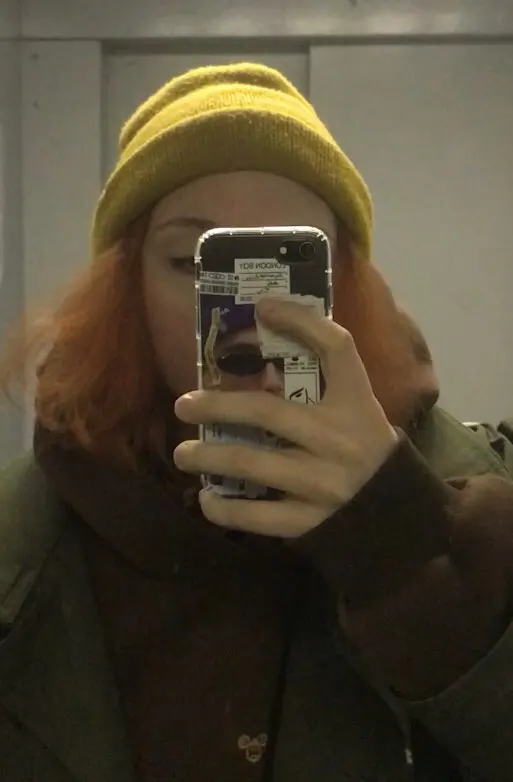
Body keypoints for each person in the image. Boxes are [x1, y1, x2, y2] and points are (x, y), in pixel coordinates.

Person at [0, 62, 512, 782]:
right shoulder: (25, 530)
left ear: (344, 290)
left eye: (290, 269)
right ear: (128, 286)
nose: (247, 319)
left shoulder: (477, 496)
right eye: (195, 261)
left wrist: (409, 553)